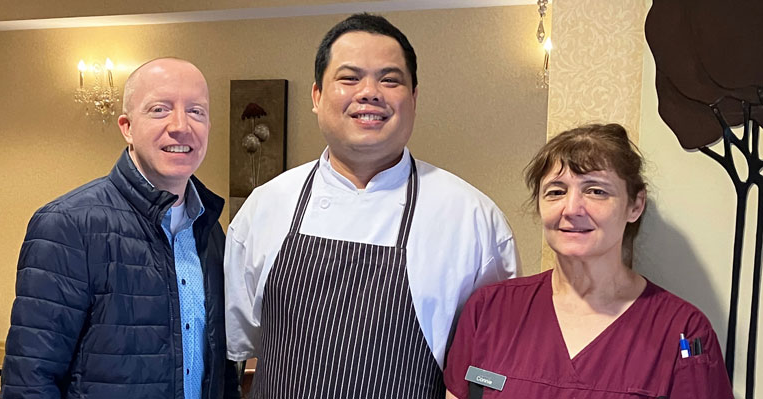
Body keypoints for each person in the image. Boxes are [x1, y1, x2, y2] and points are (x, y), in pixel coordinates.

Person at [224, 13, 519, 399]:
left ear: (414, 98)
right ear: (317, 96)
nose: (369, 92)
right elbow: (241, 345)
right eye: (349, 78)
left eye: (390, 79)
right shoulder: (266, 206)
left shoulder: (473, 219)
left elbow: (488, 366)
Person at [1, 58, 239, 399]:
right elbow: (30, 380)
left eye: (196, 111)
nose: (181, 125)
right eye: (159, 109)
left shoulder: (210, 230)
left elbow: (220, 368)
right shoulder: (68, 226)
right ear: (126, 126)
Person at [444, 123, 733, 398]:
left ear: (635, 205)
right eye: (556, 191)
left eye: (596, 190)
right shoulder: (489, 311)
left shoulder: (684, 332)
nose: (571, 209)